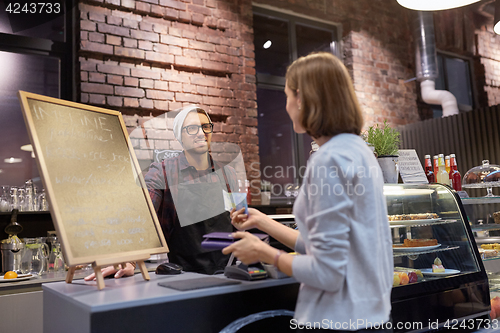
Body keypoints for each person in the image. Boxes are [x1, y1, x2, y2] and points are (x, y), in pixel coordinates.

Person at [223, 52, 393, 332]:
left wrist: (264, 252)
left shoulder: (329, 159)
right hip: (367, 315)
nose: (287, 105)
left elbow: (327, 272)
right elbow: (325, 247)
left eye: (287, 95)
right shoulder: (357, 150)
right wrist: (263, 221)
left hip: (337, 319)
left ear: (302, 98)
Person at [85, 105, 238, 280]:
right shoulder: (163, 172)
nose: (201, 133)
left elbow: (240, 223)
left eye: (205, 126)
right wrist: (129, 260)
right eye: (192, 128)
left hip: (228, 275)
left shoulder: (228, 174)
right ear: (180, 135)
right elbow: (143, 216)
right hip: (184, 279)